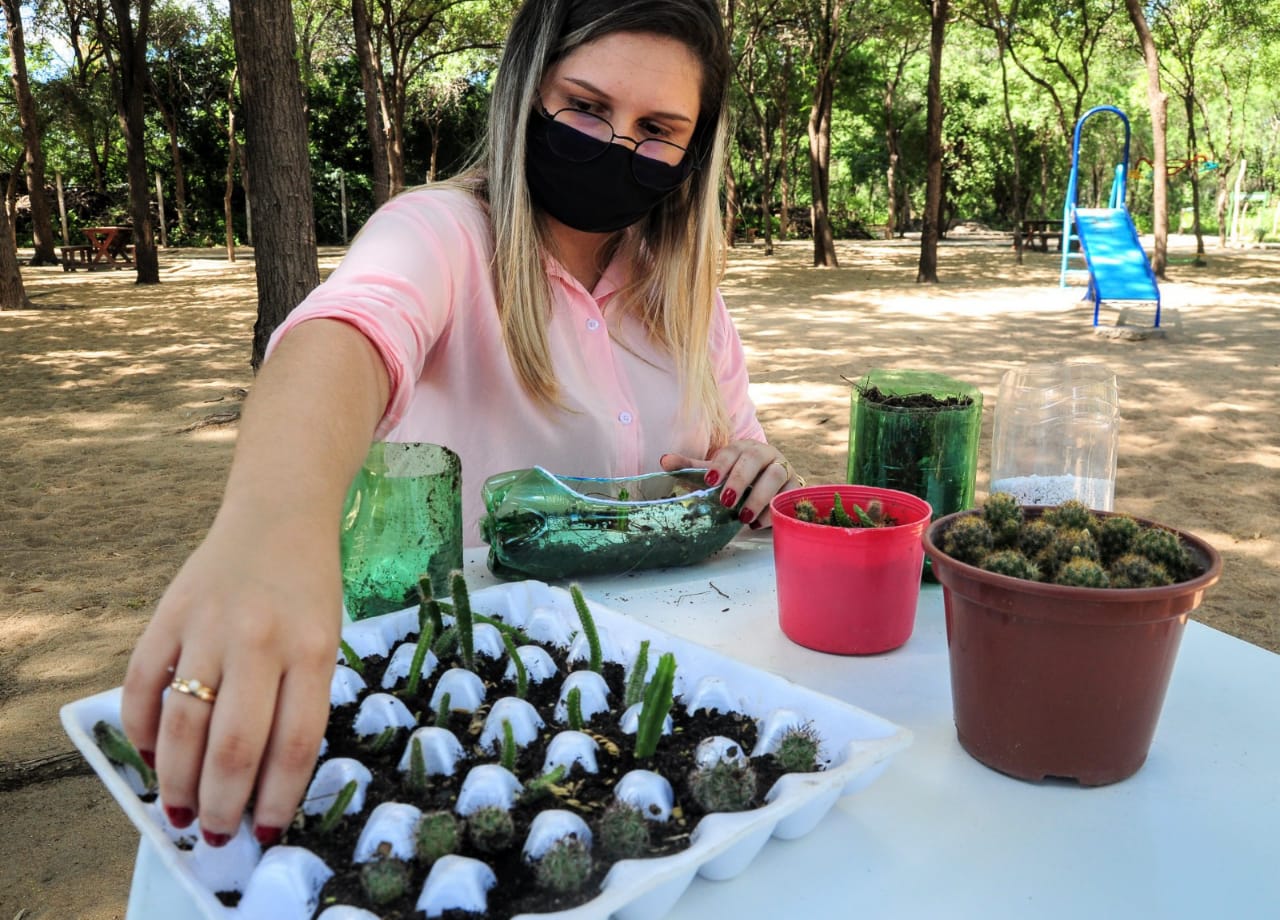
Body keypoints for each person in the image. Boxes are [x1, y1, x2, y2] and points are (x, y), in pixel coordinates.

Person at [121, 0, 802, 850]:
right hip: (463, 713)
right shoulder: (437, 233)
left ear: (693, 150)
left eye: (658, 127)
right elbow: (344, 335)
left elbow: (740, 453)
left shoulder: (692, 298)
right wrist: (270, 530)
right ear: (526, 94)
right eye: (586, 107)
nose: (617, 144)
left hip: (657, 714)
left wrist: (758, 469)